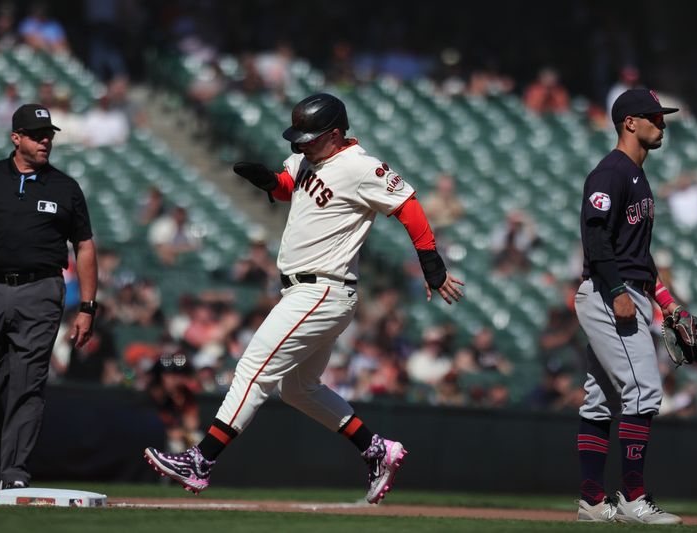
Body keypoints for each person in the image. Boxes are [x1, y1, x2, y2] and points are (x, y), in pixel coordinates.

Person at [144, 93, 464, 504]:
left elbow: (409, 206)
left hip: (322, 288)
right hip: (305, 289)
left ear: (335, 133)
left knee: (253, 368)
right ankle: (377, 449)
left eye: (310, 137)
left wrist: (431, 264)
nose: (300, 144)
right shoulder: (307, 159)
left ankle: (201, 461)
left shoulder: (360, 167)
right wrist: (268, 182)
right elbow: (287, 188)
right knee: (297, 388)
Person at [0, 103, 98, 498]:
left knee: (27, 384)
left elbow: (83, 245)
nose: (46, 140)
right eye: (37, 134)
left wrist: (87, 306)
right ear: (16, 138)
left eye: (49, 134)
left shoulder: (65, 187)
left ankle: (14, 473)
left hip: (41, 291)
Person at [574, 89, 685, 524]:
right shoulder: (611, 172)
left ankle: (592, 501)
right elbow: (595, 235)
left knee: (600, 401)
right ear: (629, 123)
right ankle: (634, 497)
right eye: (654, 116)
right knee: (644, 392)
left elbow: (638, 253)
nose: (662, 122)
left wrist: (666, 302)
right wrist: (618, 290)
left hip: (627, 289)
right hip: (609, 293)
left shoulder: (637, 176)